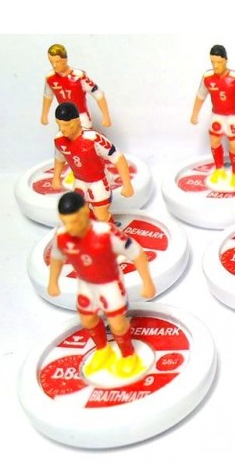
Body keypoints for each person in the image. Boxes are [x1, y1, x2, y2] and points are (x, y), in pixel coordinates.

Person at [47, 192, 156, 379]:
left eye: (75, 221)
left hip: (110, 284)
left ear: (84, 212)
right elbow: (57, 258)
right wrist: (53, 282)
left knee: (117, 324)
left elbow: (136, 253)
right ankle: (102, 349)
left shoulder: (106, 233)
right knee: (87, 320)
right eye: (66, 222)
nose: (71, 228)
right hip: (86, 284)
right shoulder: (62, 236)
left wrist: (147, 282)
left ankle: (128, 355)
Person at [52, 102, 135, 223]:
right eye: (59, 125)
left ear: (77, 121)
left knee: (101, 214)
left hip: (98, 181)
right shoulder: (59, 139)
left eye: (66, 125)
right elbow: (59, 158)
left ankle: (110, 232)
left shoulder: (93, 139)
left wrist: (127, 184)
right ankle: (89, 232)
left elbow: (118, 157)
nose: (62, 129)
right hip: (79, 181)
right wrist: (56, 177)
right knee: (79, 211)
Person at [190, 44, 235, 186]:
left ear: (226, 60)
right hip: (217, 115)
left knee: (234, 145)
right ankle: (219, 170)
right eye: (213, 62)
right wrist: (194, 114)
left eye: (219, 62)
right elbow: (200, 96)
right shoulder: (208, 78)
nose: (216, 66)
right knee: (214, 142)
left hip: (232, 117)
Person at [41, 43, 112, 130]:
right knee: (63, 136)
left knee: (85, 136)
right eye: (51, 62)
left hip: (82, 117)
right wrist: (44, 115)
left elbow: (98, 94)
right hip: (63, 117)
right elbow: (47, 97)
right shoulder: (50, 78)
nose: (54, 65)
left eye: (57, 61)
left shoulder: (79, 76)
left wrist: (106, 116)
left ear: (65, 59)